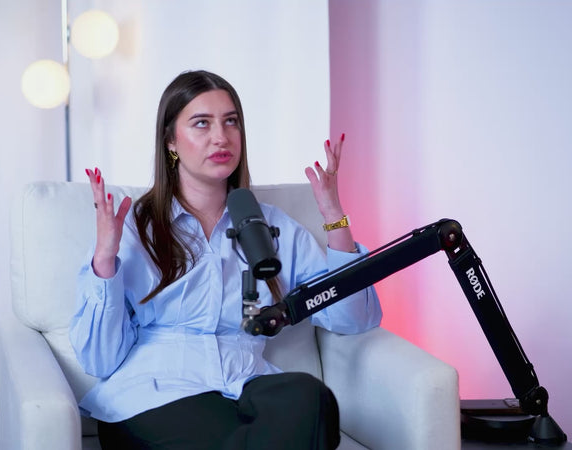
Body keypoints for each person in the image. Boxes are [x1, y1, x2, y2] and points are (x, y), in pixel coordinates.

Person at [70, 70, 382, 450]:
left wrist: (333, 215)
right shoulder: (133, 228)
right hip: (155, 395)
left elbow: (354, 319)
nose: (221, 137)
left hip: (245, 385)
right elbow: (99, 360)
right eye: (202, 123)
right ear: (171, 141)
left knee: (310, 397)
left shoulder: (272, 227)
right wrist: (105, 258)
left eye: (230, 121)